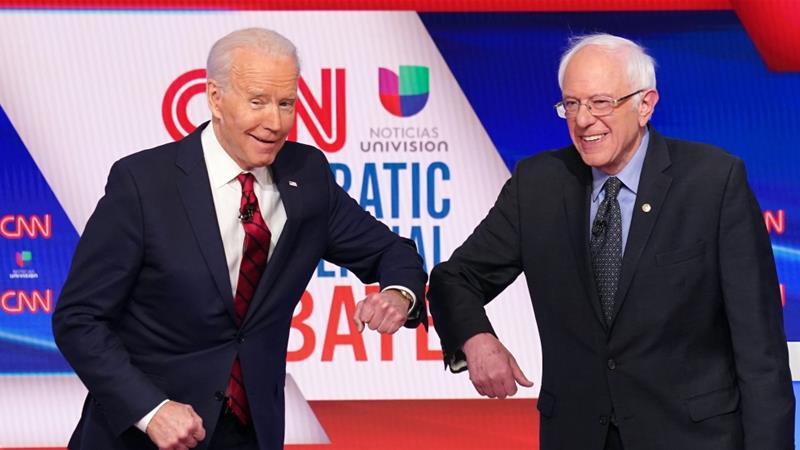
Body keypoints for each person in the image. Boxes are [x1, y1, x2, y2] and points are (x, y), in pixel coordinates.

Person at [52, 28, 427, 450]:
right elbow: (79, 319)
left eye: (286, 104)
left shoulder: (307, 175)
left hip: (250, 434)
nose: (275, 122)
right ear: (215, 97)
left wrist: (398, 295)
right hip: (145, 436)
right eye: (258, 102)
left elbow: (391, 251)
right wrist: (151, 410)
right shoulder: (142, 184)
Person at [427, 33, 794, 450]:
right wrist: (476, 338)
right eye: (571, 104)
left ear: (645, 104)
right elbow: (454, 278)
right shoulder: (538, 185)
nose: (583, 120)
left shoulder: (713, 182)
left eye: (600, 102)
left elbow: (760, 349)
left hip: (692, 437)